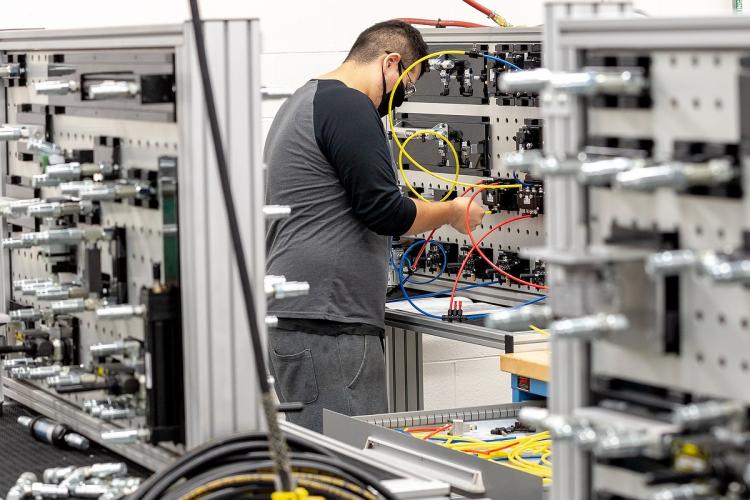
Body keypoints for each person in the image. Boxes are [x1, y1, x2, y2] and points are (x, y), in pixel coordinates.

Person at [264, 20, 485, 432]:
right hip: (329, 326)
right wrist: (453, 211)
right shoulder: (349, 106)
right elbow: (385, 211)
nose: (403, 98)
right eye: (409, 85)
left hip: (304, 318)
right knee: (353, 465)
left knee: (324, 464)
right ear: (391, 64)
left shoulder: (303, 100)